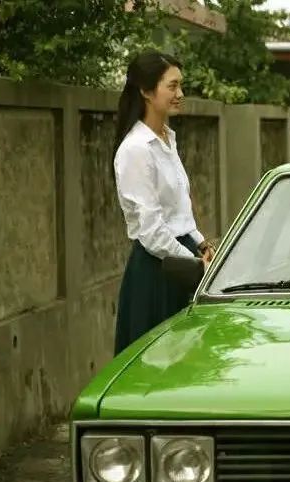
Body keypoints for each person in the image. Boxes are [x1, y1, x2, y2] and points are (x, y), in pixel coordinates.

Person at [112, 51, 214, 356]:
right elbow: (152, 230)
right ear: (146, 91)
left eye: (180, 85)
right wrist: (193, 263)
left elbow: (178, 212)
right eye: (172, 86)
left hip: (181, 263)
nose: (180, 94)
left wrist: (201, 243)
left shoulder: (167, 139)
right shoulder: (136, 149)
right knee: (157, 363)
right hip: (158, 271)